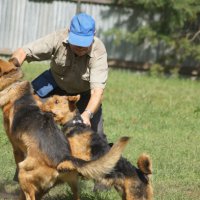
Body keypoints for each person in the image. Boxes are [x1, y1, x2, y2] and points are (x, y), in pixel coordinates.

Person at [10, 13, 108, 140]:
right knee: (25, 106)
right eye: (77, 41)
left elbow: (97, 92)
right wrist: (10, 72)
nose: (81, 47)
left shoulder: (98, 51)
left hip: (83, 94)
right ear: (69, 32)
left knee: (97, 137)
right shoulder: (57, 38)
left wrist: (87, 115)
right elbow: (24, 52)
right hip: (54, 83)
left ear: (93, 34)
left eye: (85, 43)